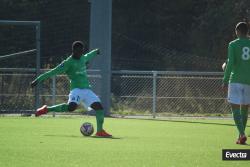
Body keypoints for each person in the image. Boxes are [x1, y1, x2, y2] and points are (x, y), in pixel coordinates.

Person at [31, 41, 112, 137]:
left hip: (87, 90)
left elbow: (88, 55)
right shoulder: (67, 63)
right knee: (71, 107)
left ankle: (100, 131)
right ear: (73, 50)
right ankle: (46, 109)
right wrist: (38, 80)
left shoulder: (82, 57)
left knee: (99, 108)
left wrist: (95, 52)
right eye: (78, 51)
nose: (80, 53)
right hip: (76, 90)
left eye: (81, 51)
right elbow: (52, 72)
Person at [222, 22, 250, 144]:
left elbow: (230, 63)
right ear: (247, 31)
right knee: (244, 108)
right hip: (248, 81)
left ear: (237, 31)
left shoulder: (232, 44)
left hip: (235, 80)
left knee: (234, 108)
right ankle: (241, 137)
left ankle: (242, 134)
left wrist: (225, 80)